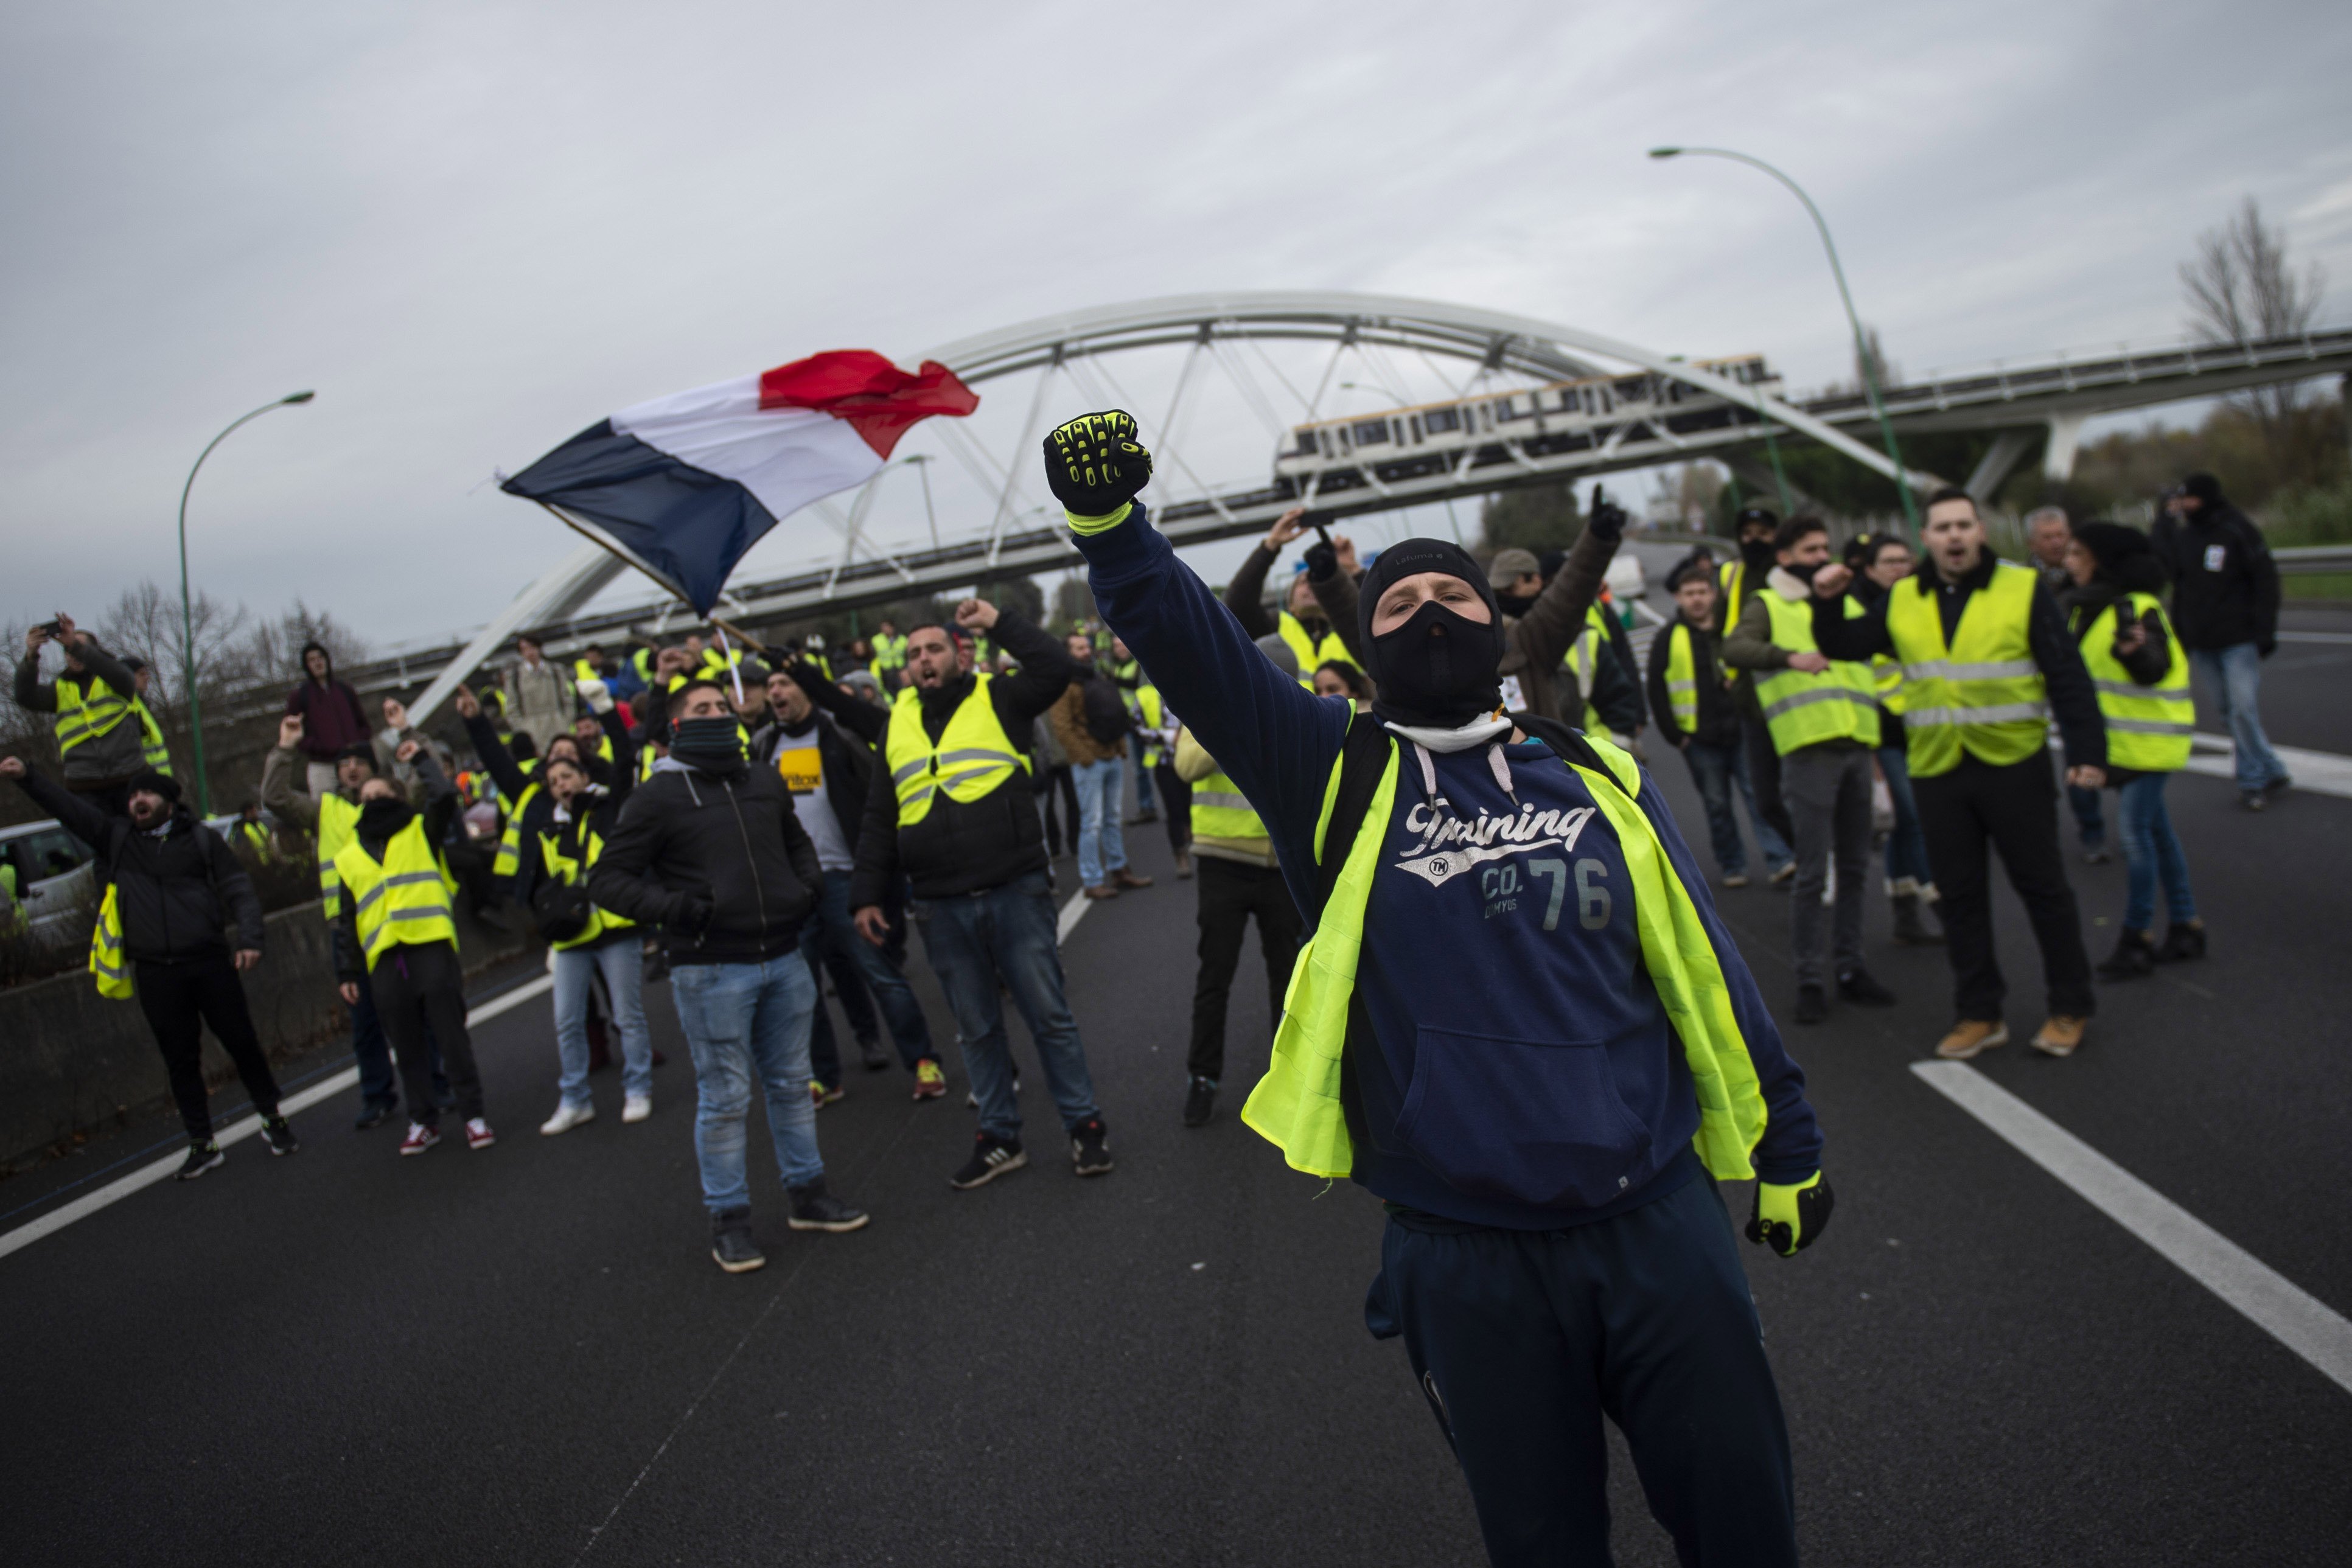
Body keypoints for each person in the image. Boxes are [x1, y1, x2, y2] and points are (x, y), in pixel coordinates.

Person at [1050, 409, 1825, 1566]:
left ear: (1501, 628)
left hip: (1660, 1223)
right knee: (1543, 1543)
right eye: (1398, 605)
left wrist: (1790, 1136)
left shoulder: (1594, 766)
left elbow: (1702, 957)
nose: (1427, 615)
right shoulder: (1335, 768)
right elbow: (1193, 645)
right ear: (1367, 640)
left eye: (1453, 598)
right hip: (1467, 1256)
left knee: (1745, 1522)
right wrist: (1114, 529)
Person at [1811, 487, 2106, 1061]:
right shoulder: (1903, 599)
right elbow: (1844, 644)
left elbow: (2065, 673)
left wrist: (2085, 752)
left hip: (2013, 765)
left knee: (2044, 890)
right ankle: (1979, 1012)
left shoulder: (2022, 589)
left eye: (1963, 525)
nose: (1953, 536)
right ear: (1925, 538)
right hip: (1939, 770)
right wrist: (1827, 602)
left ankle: (2070, 1005)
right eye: (1941, 527)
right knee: (1960, 898)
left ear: (1980, 531)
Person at [590, 678, 869, 1272]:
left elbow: (798, 844)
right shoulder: (657, 796)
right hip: (712, 969)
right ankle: (730, 1220)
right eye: (702, 709)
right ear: (676, 727)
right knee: (724, 1099)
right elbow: (607, 879)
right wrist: (678, 911)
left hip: (784, 956)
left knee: (793, 1085)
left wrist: (808, 886)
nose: (718, 713)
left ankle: (808, 1195)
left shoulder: (761, 778)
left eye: (722, 705)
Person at [848, 601, 1115, 1190]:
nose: (923, 659)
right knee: (975, 1027)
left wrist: (999, 622)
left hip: (1013, 888)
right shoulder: (896, 721)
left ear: (956, 654)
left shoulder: (997, 696)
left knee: (1048, 1015)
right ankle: (999, 1138)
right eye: (914, 654)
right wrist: (867, 892)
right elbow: (879, 814)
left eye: (934, 649)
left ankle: (1084, 1127)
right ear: (905, 669)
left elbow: (1052, 666)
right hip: (939, 903)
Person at [2, 757, 297, 1178]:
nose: (138, 800)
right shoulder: (118, 839)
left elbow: (238, 888)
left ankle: (273, 1118)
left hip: (209, 962)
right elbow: (69, 809)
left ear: (169, 801)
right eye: (134, 795)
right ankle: (202, 1142)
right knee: (179, 1060)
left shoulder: (200, 840)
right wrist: (27, 777)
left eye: (147, 793)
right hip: (157, 972)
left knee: (241, 1043)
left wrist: (250, 938)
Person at [1721, 516, 1897, 1024]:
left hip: (1856, 743)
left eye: (1825, 547)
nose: (1821, 555)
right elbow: (1735, 648)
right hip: (1808, 748)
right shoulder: (1770, 603)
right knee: (1814, 870)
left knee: (1858, 868)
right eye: (1809, 548)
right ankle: (1810, 979)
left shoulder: (1848, 598)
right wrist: (1788, 657)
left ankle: (1849, 967)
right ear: (1785, 557)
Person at [752, 657, 947, 1103]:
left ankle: (922, 1060)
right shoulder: (764, 744)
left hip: (845, 876)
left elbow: (876, 796)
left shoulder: (840, 733)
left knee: (880, 972)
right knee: (801, 990)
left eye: (785, 683)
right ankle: (824, 1076)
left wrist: (876, 873)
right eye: (771, 687)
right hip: (794, 886)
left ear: (804, 688)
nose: (776, 693)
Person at [262, 711, 447, 1128]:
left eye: (358, 762)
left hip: (401, 924)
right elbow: (274, 798)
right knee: (365, 1022)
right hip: (349, 929)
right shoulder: (323, 811)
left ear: (373, 769)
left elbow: (435, 783)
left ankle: (437, 1086)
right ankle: (377, 1096)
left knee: (420, 1013)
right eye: (343, 763)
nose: (349, 768)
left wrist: (407, 733)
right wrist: (285, 748)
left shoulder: (398, 804)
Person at [331, 740, 495, 1157]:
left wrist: (419, 757)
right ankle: (423, 1120)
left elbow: (444, 794)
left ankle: (473, 1115)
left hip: (429, 945)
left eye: (380, 795)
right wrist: (347, 971)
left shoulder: (421, 828)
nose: (372, 802)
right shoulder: (349, 855)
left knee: (450, 1035)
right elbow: (348, 917)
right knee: (406, 1045)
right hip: (385, 958)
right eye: (365, 798)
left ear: (399, 797)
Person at [1170, 634, 1305, 1128]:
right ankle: (1202, 1077)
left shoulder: (1298, 708)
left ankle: (1290, 1079)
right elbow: (1186, 766)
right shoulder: (1207, 704)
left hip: (1282, 867)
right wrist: (1231, 715)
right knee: (1215, 976)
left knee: (1288, 980)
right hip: (1223, 862)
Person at [2064, 522, 2204, 978]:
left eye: (2076, 553)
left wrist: (2132, 653)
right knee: (2157, 833)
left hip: (2147, 741)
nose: (2068, 561)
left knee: (2134, 837)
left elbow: (2153, 667)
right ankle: (2185, 925)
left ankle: (2136, 937)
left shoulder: (2135, 608)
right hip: (2123, 743)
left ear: (2100, 560)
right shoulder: (2088, 608)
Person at [514, 705, 655, 1135]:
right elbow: (538, 881)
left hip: (615, 930)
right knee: (567, 1020)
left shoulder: (607, 807)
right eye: (554, 781)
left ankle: (638, 1088)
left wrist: (610, 712)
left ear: (582, 776)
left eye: (568, 776)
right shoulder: (545, 825)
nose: (562, 785)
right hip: (571, 937)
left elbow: (627, 761)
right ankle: (575, 1098)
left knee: (627, 1015)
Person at [1645, 557, 1794, 890]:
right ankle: (1732, 865)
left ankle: (1780, 860)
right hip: (1699, 740)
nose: (1697, 599)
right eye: (1689, 593)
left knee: (1760, 797)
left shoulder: (1733, 631)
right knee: (1717, 806)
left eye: (1702, 591)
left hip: (1743, 732)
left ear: (1713, 594)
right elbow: (1656, 688)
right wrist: (1677, 737)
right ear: (1679, 598)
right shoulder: (1668, 638)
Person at [2150, 472, 2289, 810]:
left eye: (2191, 499)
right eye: (2182, 500)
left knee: (2242, 710)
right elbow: (2174, 583)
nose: (2186, 506)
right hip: (2203, 641)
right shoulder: (2184, 536)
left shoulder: (2237, 529)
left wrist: (2264, 630)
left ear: (2207, 498)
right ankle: (2272, 768)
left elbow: (2265, 579)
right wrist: (2180, 636)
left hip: (2238, 638)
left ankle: (2252, 781)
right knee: (2229, 713)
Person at [1844, 535, 1944, 946]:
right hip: (1882, 734)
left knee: (1904, 825)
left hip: (1923, 727)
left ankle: (1904, 914)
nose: (1898, 568)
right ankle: (1941, 904)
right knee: (1915, 818)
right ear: (1868, 568)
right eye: (1887, 562)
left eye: (1904, 560)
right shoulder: (1859, 611)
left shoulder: (1922, 602)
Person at [1719, 507, 1799, 886]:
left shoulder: (1793, 579)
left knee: (1802, 791)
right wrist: (1726, 673)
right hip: (1751, 704)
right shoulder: (1732, 575)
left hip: (1796, 699)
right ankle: (1804, 852)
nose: (1754, 539)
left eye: (1763, 531)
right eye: (1747, 531)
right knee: (1767, 798)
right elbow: (1719, 630)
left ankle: (1816, 861)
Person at [1050, 631, 1153, 900]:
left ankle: (1119, 870)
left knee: (1111, 819)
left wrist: (1119, 748)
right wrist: (1085, 756)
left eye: (1086, 647)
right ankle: (1092, 880)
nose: (1085, 651)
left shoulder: (1096, 675)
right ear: (1068, 652)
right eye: (1079, 648)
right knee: (1091, 823)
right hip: (1090, 763)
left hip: (1111, 756)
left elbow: (1114, 710)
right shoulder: (1065, 684)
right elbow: (1062, 727)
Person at [15, 614, 145, 816]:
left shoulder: (115, 679)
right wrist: (31, 655)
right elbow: (25, 696)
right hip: (84, 785)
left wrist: (75, 645)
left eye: (77, 647)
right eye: (67, 650)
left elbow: (120, 674)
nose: (73, 654)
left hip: (129, 777)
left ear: (94, 651)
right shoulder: (60, 689)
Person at [282, 641, 373, 798]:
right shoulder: (300, 696)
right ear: (306, 666)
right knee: (325, 810)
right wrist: (318, 747)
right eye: (312, 660)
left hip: (352, 763)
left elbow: (363, 723)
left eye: (320, 657)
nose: (318, 662)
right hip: (323, 766)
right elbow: (292, 730)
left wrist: (358, 742)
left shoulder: (345, 690)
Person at [501, 633, 579, 758]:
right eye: (524, 650)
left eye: (532, 647)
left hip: (558, 725)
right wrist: (523, 729)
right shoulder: (515, 676)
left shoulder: (556, 671)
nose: (530, 652)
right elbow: (512, 707)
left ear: (539, 648)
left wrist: (565, 721)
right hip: (532, 730)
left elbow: (567, 699)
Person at [2024, 505, 2075, 595]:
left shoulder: (2085, 575)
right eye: (2047, 537)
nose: (2056, 543)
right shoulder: (2025, 580)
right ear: (2032, 544)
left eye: (2060, 535)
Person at [870, 620, 907, 689]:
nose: (884, 629)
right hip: (884, 672)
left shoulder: (903, 640)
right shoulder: (876, 640)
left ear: (892, 627)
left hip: (900, 670)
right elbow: (872, 656)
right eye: (883, 627)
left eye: (886, 626)